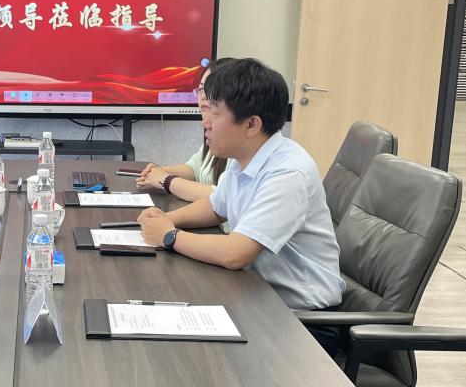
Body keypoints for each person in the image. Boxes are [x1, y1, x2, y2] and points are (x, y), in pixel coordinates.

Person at [137, 57, 344, 312]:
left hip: (301, 317)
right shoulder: (245, 156)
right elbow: (215, 207)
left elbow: (235, 253)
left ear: (251, 124)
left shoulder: (288, 174)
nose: (205, 122)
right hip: (256, 292)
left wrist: (169, 236)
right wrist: (166, 219)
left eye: (215, 113)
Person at [137, 63, 230, 208]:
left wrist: (166, 180)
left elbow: (222, 197)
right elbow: (195, 168)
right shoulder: (212, 130)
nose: (204, 96)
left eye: (211, 89)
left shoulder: (236, 142)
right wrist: (160, 172)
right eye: (201, 89)